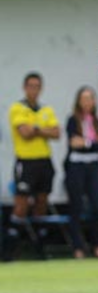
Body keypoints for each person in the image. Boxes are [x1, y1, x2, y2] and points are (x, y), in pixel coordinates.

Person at [6, 72, 61, 257]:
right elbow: (25, 133)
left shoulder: (46, 110)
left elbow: (56, 133)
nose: (34, 90)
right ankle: (10, 249)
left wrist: (36, 128)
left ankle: (39, 246)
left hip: (44, 161)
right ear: (24, 87)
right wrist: (42, 129)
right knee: (21, 204)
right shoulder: (17, 108)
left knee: (41, 202)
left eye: (37, 86)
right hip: (26, 161)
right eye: (30, 86)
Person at [63, 86, 98, 259]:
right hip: (76, 166)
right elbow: (73, 143)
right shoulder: (73, 120)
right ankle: (78, 247)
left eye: (90, 98)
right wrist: (92, 142)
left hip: (93, 165)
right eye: (84, 98)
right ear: (78, 101)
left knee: (97, 206)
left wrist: (86, 143)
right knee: (76, 206)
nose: (87, 102)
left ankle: (97, 245)